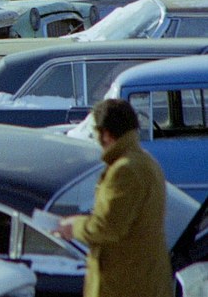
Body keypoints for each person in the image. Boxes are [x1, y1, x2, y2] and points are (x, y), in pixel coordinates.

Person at [56, 98, 172, 297]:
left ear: (106, 134)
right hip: (145, 279)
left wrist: (74, 227)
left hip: (124, 284)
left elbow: (108, 226)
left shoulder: (125, 169)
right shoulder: (146, 162)